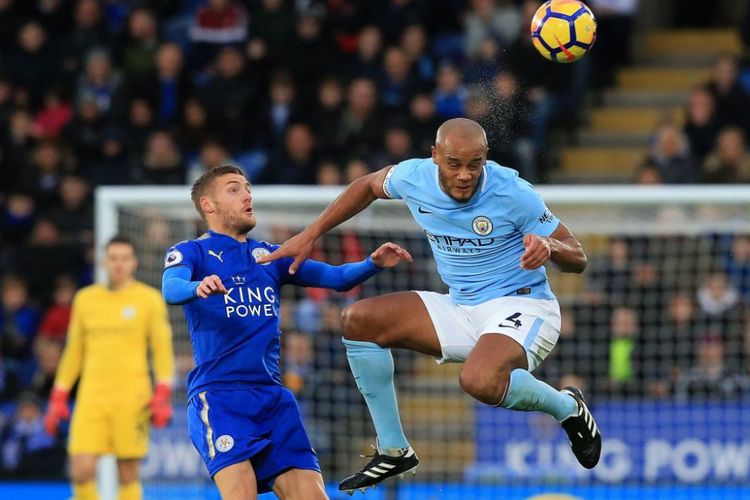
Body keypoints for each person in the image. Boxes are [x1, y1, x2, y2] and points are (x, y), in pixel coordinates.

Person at [259, 118, 602, 492]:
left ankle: (567, 408)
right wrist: (311, 234)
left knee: (478, 380)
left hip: (522, 305)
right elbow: (367, 186)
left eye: (475, 165)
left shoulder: (513, 193)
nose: (464, 175)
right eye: (454, 163)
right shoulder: (413, 177)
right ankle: (394, 449)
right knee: (357, 320)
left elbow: (578, 256)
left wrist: (551, 247)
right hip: (460, 307)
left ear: (486, 159)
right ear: (435, 156)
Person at [160, 165, 412, 500]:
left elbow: (336, 278)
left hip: (273, 399)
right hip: (221, 398)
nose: (247, 194)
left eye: (248, 187)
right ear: (208, 205)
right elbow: (171, 288)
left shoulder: (269, 256)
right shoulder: (193, 253)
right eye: (234, 189)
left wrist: (372, 264)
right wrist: (197, 286)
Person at [43, 235, 175, 500]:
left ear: (134, 262)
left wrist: (162, 392)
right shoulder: (85, 299)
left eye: (125, 258)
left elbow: (162, 351)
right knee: (80, 469)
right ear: (104, 261)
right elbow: (73, 352)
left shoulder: (148, 299)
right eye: (113, 258)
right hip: (92, 397)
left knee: (127, 472)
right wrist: (59, 394)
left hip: (133, 398)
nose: (119, 264)